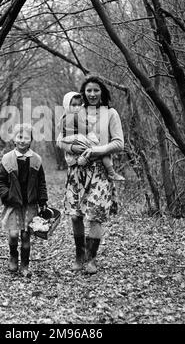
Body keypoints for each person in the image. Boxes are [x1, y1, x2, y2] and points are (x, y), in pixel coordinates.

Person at [57, 77, 124, 274]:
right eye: (88, 91)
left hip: (99, 171)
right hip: (77, 171)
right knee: (76, 216)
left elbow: (119, 144)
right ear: (83, 93)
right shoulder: (77, 111)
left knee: (95, 216)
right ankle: (79, 256)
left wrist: (96, 151)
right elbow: (59, 139)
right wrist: (74, 146)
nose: (92, 94)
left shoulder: (111, 113)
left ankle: (91, 259)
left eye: (96, 90)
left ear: (102, 92)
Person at [0, 123, 48, 276]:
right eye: (19, 137)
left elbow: (41, 182)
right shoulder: (7, 159)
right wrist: (7, 195)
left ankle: (25, 265)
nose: (22, 140)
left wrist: (42, 200)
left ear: (31, 140)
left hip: (30, 204)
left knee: (26, 235)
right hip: (13, 204)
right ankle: (13, 256)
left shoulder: (36, 160)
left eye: (26, 137)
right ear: (14, 139)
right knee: (13, 234)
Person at [59, 92, 125, 181]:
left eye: (79, 104)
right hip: (78, 142)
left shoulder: (65, 117)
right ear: (67, 105)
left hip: (92, 170)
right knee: (99, 149)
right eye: (73, 105)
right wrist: (72, 147)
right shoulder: (74, 116)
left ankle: (109, 171)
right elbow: (61, 140)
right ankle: (111, 172)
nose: (77, 107)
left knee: (99, 150)